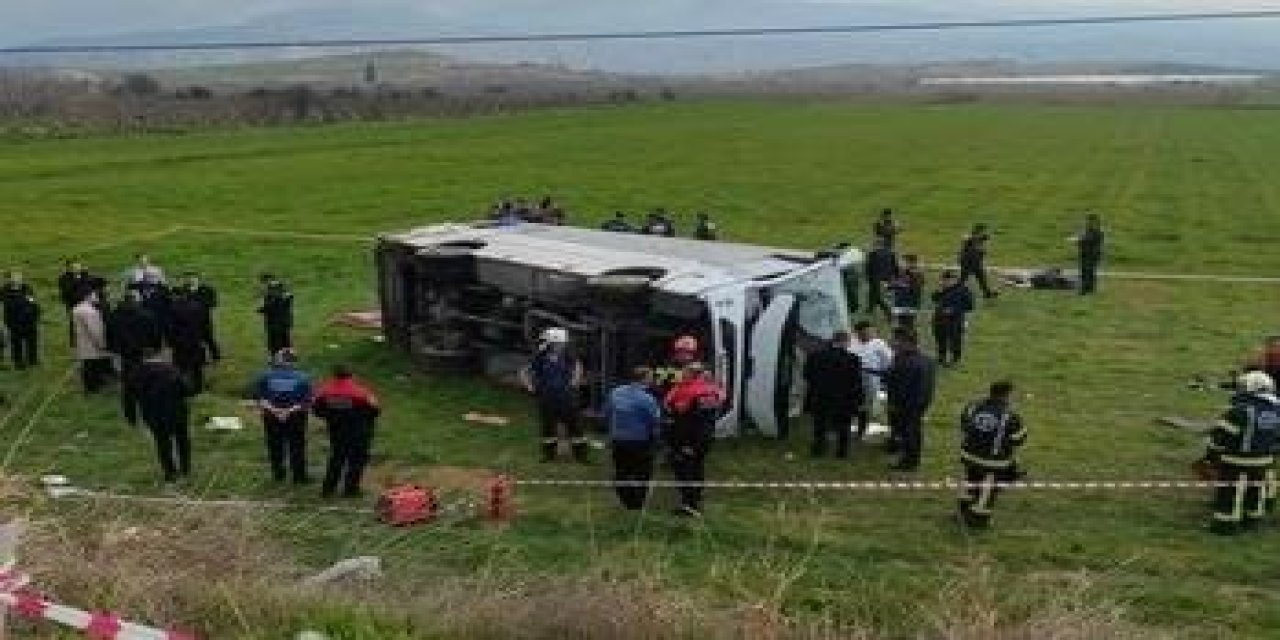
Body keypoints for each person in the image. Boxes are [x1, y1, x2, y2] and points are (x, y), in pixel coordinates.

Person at [1204, 371, 1279, 535]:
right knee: (1256, 491)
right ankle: (1252, 521)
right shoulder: (1276, 410)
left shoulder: (1239, 411)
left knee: (1230, 492)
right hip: (1265, 461)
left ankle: (1225, 526)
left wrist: (1211, 455)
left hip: (1235, 460)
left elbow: (1220, 435)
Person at [957, 380, 1026, 529]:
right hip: (994, 462)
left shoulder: (972, 407)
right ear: (1007, 395)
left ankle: (963, 508)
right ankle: (978, 518)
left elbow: (964, 425)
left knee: (971, 477)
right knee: (989, 487)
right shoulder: (1010, 416)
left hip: (968, 454)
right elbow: (1019, 439)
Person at [664, 361, 726, 516]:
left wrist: (685, 442)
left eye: (685, 372)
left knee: (684, 470)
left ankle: (689, 504)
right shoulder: (712, 390)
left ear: (692, 374)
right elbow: (720, 402)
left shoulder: (688, 391)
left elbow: (676, 410)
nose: (682, 375)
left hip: (687, 437)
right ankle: (695, 499)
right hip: (705, 437)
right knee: (697, 467)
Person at [124, 348, 194, 483]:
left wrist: (131, 417)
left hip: (152, 413)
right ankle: (185, 469)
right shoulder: (171, 370)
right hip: (177, 411)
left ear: (143, 358)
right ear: (159, 356)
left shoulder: (136, 373)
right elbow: (187, 390)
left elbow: (128, 398)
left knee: (162, 442)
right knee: (182, 440)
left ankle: (170, 472)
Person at [520, 327, 589, 462]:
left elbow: (578, 366)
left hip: (567, 398)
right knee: (548, 428)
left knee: (575, 428)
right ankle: (549, 456)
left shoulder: (568, 355)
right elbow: (524, 371)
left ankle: (581, 457)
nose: (562, 346)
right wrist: (529, 386)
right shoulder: (540, 356)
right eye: (559, 343)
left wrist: (575, 381)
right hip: (547, 398)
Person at [312, 364, 381, 499]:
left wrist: (331, 417)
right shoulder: (361, 392)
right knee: (356, 460)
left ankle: (328, 489)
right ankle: (351, 489)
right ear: (351, 375)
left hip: (336, 431)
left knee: (337, 458)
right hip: (359, 431)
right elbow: (375, 410)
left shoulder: (324, 391)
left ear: (334, 375)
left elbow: (317, 410)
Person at [606, 366, 663, 510]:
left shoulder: (615, 392)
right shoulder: (647, 398)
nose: (652, 380)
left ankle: (626, 499)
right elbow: (655, 421)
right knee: (643, 472)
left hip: (618, 439)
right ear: (645, 379)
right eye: (650, 377)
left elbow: (607, 412)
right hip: (640, 441)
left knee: (621, 471)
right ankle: (638, 503)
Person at [254, 349, 313, 485]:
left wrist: (275, 410)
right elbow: (305, 401)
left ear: (278, 360)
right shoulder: (303, 378)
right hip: (295, 417)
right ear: (293, 362)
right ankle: (299, 476)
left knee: (274, 445)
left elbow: (260, 398)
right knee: (297, 445)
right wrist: (287, 411)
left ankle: (278, 474)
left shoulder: (264, 376)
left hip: (271, 416)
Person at [803, 331, 864, 458]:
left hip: (820, 395)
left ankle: (818, 449)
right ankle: (842, 451)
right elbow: (857, 382)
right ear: (846, 342)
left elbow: (807, 375)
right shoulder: (853, 359)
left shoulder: (815, 356)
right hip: (844, 398)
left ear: (832, 340)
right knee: (843, 425)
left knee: (820, 424)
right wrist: (858, 400)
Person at [884, 328, 936, 472]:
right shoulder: (927, 359)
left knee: (909, 434)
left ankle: (909, 462)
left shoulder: (904, 362)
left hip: (906, 405)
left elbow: (899, 386)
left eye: (896, 341)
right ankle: (910, 458)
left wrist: (893, 403)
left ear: (905, 342)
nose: (893, 343)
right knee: (914, 432)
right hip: (921, 402)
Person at [107, 290, 163, 425]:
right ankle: (148, 415)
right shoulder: (147, 315)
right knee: (147, 386)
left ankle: (130, 418)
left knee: (127, 388)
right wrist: (155, 349)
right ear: (137, 300)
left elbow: (110, 335)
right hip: (144, 354)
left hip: (125, 356)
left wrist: (115, 350)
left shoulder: (114, 315)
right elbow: (156, 335)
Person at [849, 321, 893, 444]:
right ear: (857, 333)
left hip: (871, 380)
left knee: (865, 406)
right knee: (852, 404)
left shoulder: (879, 344)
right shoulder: (851, 343)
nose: (867, 335)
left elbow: (887, 361)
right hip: (852, 379)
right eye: (863, 332)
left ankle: (861, 430)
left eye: (869, 332)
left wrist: (884, 378)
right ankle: (849, 424)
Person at [165, 290, 209, 394]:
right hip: (195, 341)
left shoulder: (173, 308)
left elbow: (169, 327)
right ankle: (198, 388)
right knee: (197, 367)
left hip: (180, 342)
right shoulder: (199, 307)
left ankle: (181, 388)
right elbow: (205, 325)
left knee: (180, 366)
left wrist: (171, 342)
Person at [931, 270, 975, 367]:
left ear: (955, 279)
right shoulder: (942, 289)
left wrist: (954, 310)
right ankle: (941, 357)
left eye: (948, 280)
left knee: (955, 340)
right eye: (944, 280)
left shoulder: (963, 290)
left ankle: (955, 359)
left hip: (955, 320)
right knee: (940, 338)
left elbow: (969, 306)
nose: (945, 282)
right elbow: (934, 298)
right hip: (940, 318)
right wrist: (939, 291)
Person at [73, 291, 113, 394]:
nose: (96, 297)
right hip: (91, 342)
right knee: (92, 365)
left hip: (83, 339)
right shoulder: (89, 311)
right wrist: (101, 343)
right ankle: (93, 387)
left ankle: (90, 385)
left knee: (87, 364)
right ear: (88, 296)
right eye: (94, 295)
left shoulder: (78, 308)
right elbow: (94, 329)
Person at [57, 261, 105, 347]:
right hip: (74, 304)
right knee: (75, 324)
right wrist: (79, 280)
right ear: (69, 269)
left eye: (78, 267)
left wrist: (89, 275)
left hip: (88, 304)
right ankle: (75, 343)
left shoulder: (85, 276)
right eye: (74, 268)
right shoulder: (64, 278)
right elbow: (67, 290)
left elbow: (101, 282)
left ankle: (92, 339)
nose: (76, 269)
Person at [0, 270, 40, 370]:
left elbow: (33, 302)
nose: (17, 279)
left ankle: (32, 360)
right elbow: (9, 304)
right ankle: (18, 362)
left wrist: (35, 314)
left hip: (29, 319)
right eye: (15, 277)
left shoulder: (27, 288)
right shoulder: (5, 290)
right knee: (16, 342)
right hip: (13, 320)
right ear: (10, 279)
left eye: (19, 277)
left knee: (32, 340)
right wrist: (24, 299)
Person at [176, 271, 220, 362]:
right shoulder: (184, 291)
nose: (191, 280)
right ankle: (201, 358)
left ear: (198, 279)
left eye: (193, 278)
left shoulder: (206, 290)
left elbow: (212, 303)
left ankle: (215, 355)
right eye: (188, 279)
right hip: (191, 320)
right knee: (196, 340)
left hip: (204, 318)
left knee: (208, 337)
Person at [958, 224, 996, 299]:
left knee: (981, 278)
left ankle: (987, 293)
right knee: (963, 279)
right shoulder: (970, 239)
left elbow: (981, 245)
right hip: (968, 262)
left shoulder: (978, 239)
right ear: (978, 232)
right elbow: (968, 239)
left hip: (975, 262)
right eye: (982, 231)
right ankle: (955, 292)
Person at [258, 276, 294, 356]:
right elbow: (263, 309)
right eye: (272, 290)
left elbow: (288, 299)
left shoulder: (285, 298)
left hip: (282, 325)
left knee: (284, 342)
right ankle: (275, 357)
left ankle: (286, 357)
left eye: (276, 289)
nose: (274, 291)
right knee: (274, 344)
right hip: (272, 326)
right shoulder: (269, 298)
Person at [864, 239, 898, 320]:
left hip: (875, 278)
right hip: (888, 278)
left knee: (877, 295)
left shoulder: (873, 254)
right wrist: (895, 276)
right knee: (878, 294)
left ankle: (887, 311)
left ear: (877, 245)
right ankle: (870, 308)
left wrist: (868, 277)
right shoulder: (891, 253)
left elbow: (869, 267)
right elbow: (894, 266)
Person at [888, 254, 925, 329]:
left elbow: (915, 289)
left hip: (909, 305)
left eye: (903, 262)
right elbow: (894, 285)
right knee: (900, 325)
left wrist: (899, 284)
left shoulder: (916, 274)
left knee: (908, 326)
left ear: (910, 263)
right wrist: (891, 285)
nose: (900, 263)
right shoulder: (901, 273)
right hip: (900, 303)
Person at [1075, 214, 1105, 295]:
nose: (1088, 223)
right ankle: (1089, 288)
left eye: (1090, 221)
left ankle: (1085, 289)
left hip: (1091, 255)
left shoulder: (1097, 232)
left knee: (1088, 272)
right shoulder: (1090, 231)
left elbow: (1088, 240)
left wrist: (1080, 239)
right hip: (1086, 254)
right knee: (1086, 271)